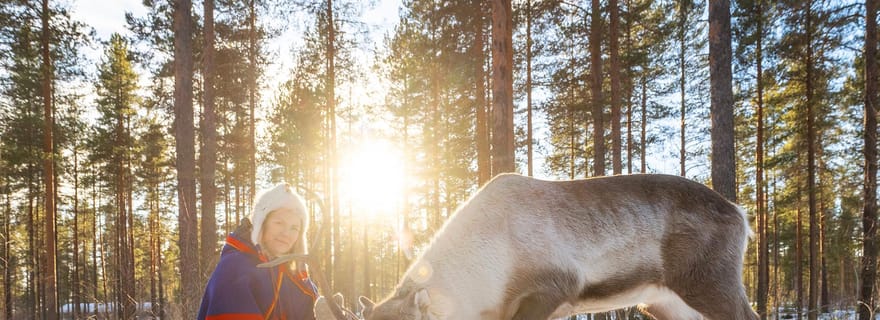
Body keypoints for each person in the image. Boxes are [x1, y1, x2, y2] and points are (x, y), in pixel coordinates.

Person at [198, 183, 318, 320]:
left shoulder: (293, 276)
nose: (286, 234)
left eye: (294, 228)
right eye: (279, 223)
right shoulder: (235, 269)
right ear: (262, 223)